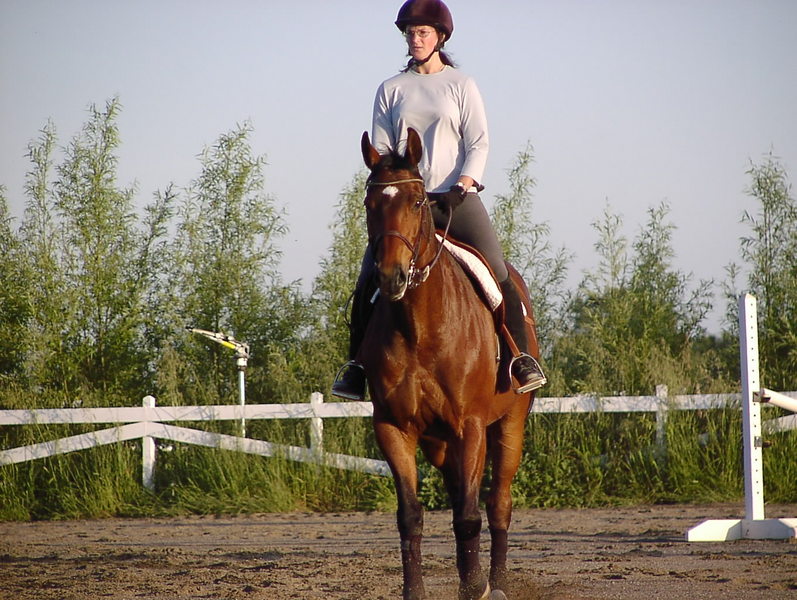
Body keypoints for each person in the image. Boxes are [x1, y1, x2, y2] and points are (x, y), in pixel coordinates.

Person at [332, 0, 546, 400]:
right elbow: (382, 150)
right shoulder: (391, 89)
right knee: (369, 276)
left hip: (454, 199)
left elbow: (478, 142)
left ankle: (520, 357)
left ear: (440, 37)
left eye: (423, 32)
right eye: (410, 33)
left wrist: (462, 186)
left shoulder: (461, 85)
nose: (415, 39)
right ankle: (357, 367)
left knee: (497, 269)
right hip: (406, 203)